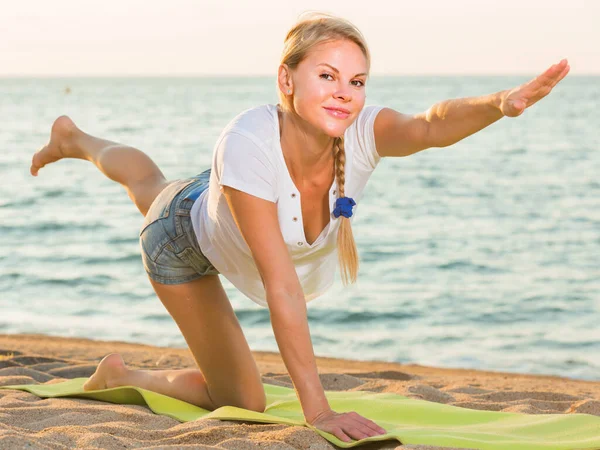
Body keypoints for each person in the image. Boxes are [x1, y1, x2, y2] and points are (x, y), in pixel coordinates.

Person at [29, 11, 570, 444]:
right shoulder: (246, 140)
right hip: (183, 239)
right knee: (153, 194)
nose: (344, 92)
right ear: (286, 79)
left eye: (355, 81)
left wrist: (500, 104)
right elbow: (281, 285)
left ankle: (74, 138)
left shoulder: (359, 130)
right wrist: (319, 410)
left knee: (153, 184)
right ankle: (75, 144)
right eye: (327, 76)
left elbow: (430, 124)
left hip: (230, 197)